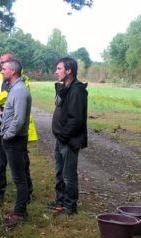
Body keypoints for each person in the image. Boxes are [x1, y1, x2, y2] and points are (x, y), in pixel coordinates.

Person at [0, 52, 38, 204]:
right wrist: (4, 97)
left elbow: (18, 114)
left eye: (5, 63)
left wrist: (9, 134)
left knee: (21, 168)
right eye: (0, 63)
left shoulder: (22, 84)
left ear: (13, 66)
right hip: (1, 130)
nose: (1, 67)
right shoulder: (0, 80)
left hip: (14, 134)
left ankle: (25, 198)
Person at [48, 57, 88, 215]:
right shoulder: (65, 87)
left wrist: (64, 136)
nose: (56, 72)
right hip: (61, 139)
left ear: (69, 70)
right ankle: (60, 201)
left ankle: (70, 206)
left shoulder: (77, 90)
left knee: (68, 175)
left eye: (59, 69)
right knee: (59, 172)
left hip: (69, 141)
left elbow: (76, 119)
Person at [0, 59, 32, 228]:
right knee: (19, 176)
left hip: (15, 140)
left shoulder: (19, 91)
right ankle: (20, 210)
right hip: (13, 139)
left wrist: (7, 135)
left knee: (19, 178)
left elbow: (19, 120)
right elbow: (14, 115)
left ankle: (19, 213)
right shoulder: (15, 89)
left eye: (4, 69)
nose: (2, 71)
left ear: (13, 72)